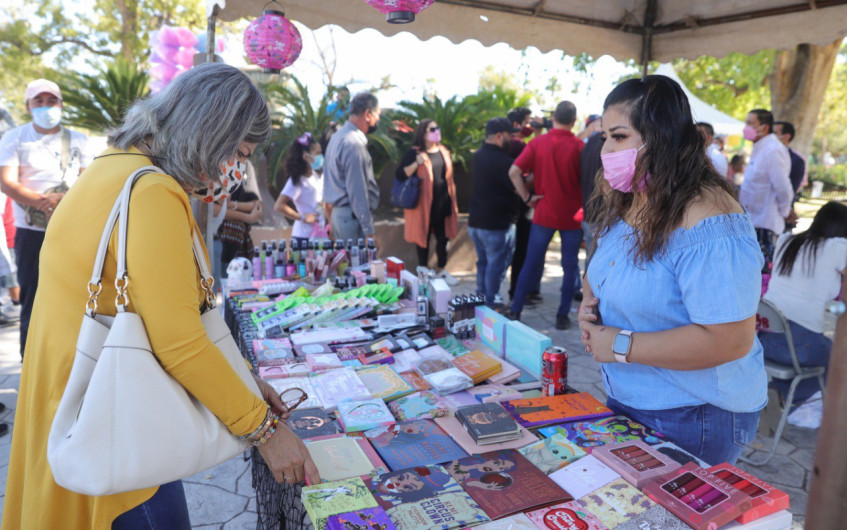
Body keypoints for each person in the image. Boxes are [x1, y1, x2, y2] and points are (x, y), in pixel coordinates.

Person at [1, 64, 320, 528]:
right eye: (241, 152)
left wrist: (245, 383)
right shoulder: (152, 193)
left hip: (78, 399)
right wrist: (266, 432)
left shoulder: (110, 168)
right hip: (116, 418)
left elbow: (163, 316)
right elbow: (179, 342)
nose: (237, 170)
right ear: (212, 133)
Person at [578, 75, 766, 466]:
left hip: (694, 414)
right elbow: (604, 266)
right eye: (604, 139)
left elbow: (729, 340)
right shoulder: (633, 198)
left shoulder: (709, 223)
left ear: (659, 137)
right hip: (633, 397)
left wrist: (619, 344)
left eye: (618, 137)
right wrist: (589, 302)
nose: (606, 150)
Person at [0, 79, 90, 360]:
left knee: (76, 295)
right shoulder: (15, 137)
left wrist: (60, 201)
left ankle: (74, 361)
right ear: (28, 107)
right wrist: (43, 202)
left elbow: (88, 180)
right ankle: (31, 361)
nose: (46, 107)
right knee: (33, 297)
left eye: (51, 101)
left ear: (61, 105)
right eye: (38, 101)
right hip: (31, 231)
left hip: (71, 229)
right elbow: (6, 182)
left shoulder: (79, 140)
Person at [761, 201, 847, 404]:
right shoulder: (837, 247)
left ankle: (775, 398)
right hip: (800, 344)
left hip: (763, 338)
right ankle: (782, 399)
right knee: (837, 362)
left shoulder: (786, 241)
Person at [509, 101, 583, 329]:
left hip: (544, 212)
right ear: (573, 121)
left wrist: (527, 198)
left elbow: (514, 172)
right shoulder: (580, 146)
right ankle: (563, 315)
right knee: (570, 266)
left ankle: (515, 311)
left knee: (530, 262)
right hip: (572, 216)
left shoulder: (538, 143)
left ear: (554, 119)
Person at [395, 119, 459, 283]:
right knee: (422, 236)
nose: (437, 131)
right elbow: (400, 174)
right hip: (422, 205)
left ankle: (441, 270)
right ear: (423, 133)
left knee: (443, 238)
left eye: (438, 128)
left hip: (442, 202)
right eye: (432, 129)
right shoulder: (414, 153)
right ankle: (423, 269)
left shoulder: (443, 151)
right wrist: (417, 163)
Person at [468, 118, 520, 305]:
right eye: (509, 136)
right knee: (495, 266)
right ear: (499, 136)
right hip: (496, 225)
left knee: (483, 262)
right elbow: (516, 187)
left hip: (476, 223)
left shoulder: (478, 155)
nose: (512, 140)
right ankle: (490, 302)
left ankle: (480, 299)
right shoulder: (504, 162)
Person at [739, 109, 793, 270]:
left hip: (765, 226)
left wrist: (785, 212)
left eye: (751, 123)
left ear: (764, 127)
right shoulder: (760, 147)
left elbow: (783, 187)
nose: (746, 127)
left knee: (761, 276)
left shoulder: (773, 150)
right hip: (752, 222)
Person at [323, 92, 381, 242]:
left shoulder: (338, 136)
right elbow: (357, 191)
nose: (378, 119)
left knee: (346, 264)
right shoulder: (353, 143)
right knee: (358, 264)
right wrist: (369, 231)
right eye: (377, 115)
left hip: (340, 216)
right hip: (352, 219)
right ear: (368, 114)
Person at [506, 107, 541, 305]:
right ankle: (517, 293)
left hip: (515, 207)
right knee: (521, 252)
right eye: (528, 121)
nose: (531, 125)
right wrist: (527, 195)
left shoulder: (509, 144)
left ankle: (518, 291)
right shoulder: (518, 146)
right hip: (521, 206)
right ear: (517, 125)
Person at [274, 132, 329, 247]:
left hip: (321, 236)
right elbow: (279, 206)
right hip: (303, 238)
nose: (321, 157)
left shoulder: (318, 176)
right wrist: (303, 217)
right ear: (306, 156)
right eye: (317, 153)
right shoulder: (297, 181)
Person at [773, 121, 807, 231]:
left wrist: (786, 212)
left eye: (774, 133)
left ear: (787, 136)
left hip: (780, 217)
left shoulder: (796, 160)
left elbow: (789, 190)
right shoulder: (763, 154)